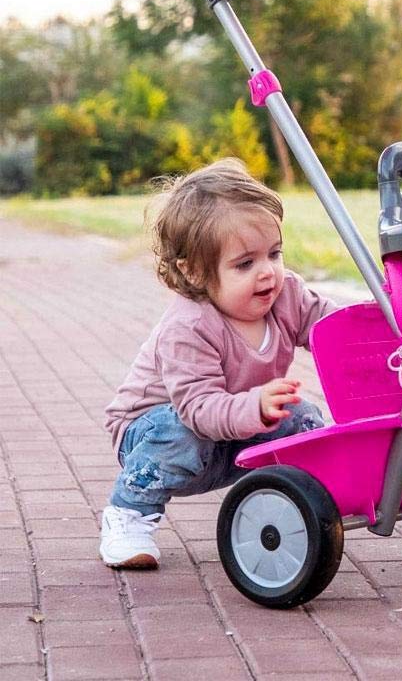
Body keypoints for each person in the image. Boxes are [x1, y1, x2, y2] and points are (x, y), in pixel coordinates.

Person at [100, 159, 334, 569]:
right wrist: (256, 406)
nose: (268, 273)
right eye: (245, 264)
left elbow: (333, 329)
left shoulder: (287, 295)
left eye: (274, 254)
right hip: (158, 433)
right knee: (180, 431)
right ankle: (129, 513)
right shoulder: (189, 326)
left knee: (304, 418)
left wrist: (385, 329)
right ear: (194, 271)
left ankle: (292, 498)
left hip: (231, 436)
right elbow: (200, 410)